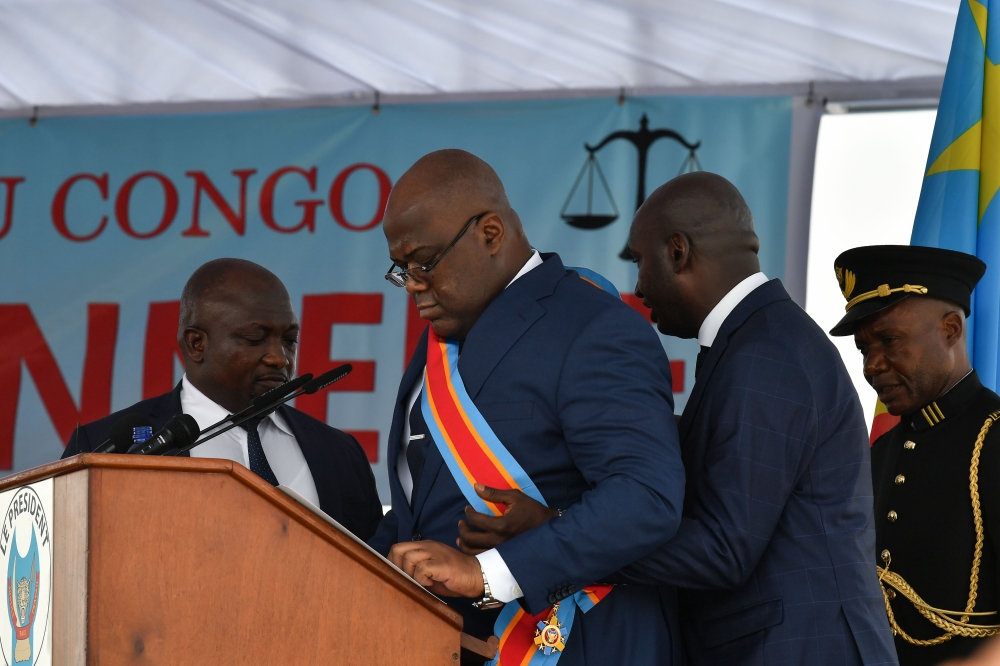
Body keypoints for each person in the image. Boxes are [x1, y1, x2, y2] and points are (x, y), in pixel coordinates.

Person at [454, 172, 898, 665]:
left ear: (679, 253)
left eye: (641, 262)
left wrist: (555, 527)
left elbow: (723, 551)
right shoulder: (751, 343)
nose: (639, 286)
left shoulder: (767, 353)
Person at [367, 149, 687, 664]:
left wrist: (487, 574)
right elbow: (420, 517)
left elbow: (645, 496)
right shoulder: (441, 340)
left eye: (423, 262)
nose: (412, 284)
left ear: (490, 234)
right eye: (400, 269)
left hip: (574, 644)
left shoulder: (593, 327)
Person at [63, 258, 384, 541]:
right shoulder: (105, 445)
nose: (279, 358)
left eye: (289, 340)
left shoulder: (340, 454)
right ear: (196, 344)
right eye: (255, 339)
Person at [829, 245, 1000, 666]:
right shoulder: (881, 452)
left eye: (889, 340)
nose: (872, 365)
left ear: (951, 329)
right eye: (864, 349)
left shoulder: (994, 437)